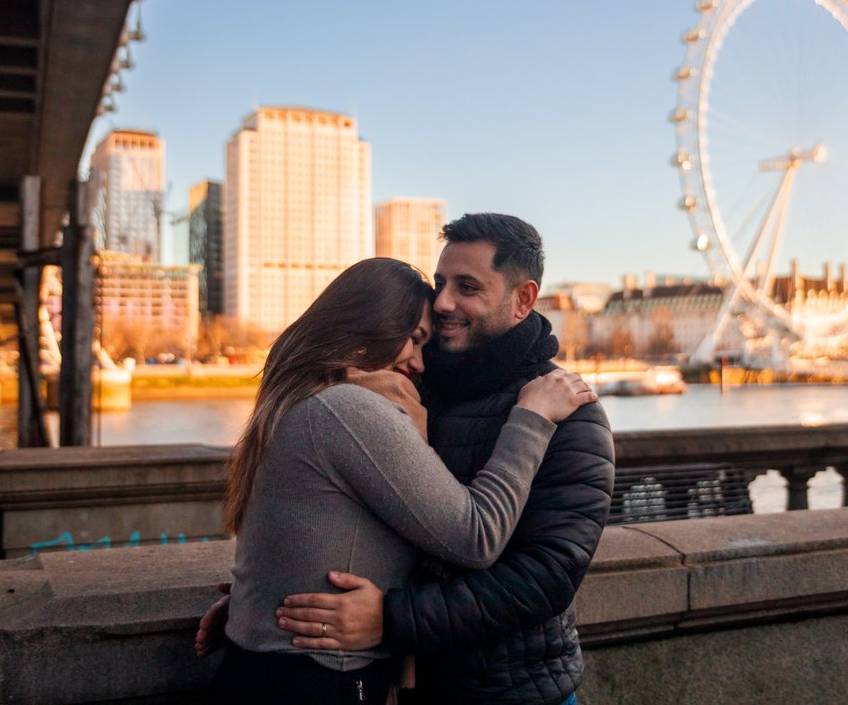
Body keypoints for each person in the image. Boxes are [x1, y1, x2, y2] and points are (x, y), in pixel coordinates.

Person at [198, 214, 616, 705]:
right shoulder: (407, 392)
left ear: (523, 299)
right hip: (406, 684)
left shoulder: (566, 413)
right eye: (440, 284)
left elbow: (544, 580)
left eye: (466, 286)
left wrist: (391, 620)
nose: (442, 303)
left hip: (508, 692)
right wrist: (275, 591)